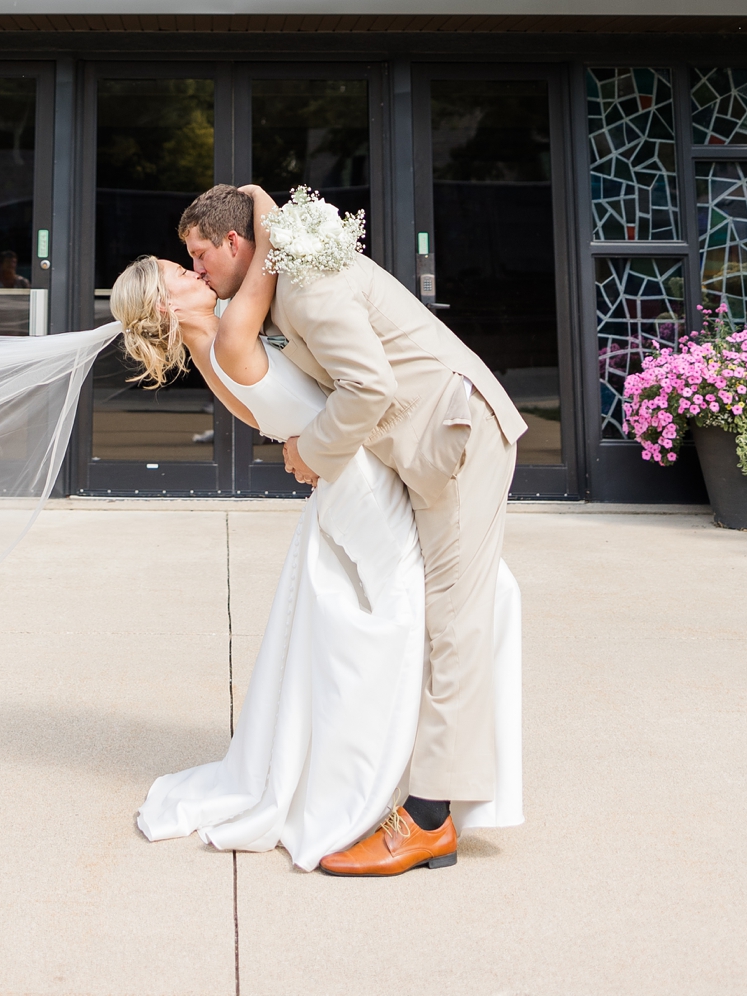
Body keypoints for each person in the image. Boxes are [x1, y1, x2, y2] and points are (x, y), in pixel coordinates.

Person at [110, 186, 521, 875]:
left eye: (198, 255)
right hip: (396, 463)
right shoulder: (247, 314)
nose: (198, 269)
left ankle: (429, 818)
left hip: (453, 439)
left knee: (455, 621)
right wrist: (257, 203)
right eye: (185, 266)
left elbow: (368, 389)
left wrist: (309, 451)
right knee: (429, 618)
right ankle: (412, 785)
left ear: (236, 245)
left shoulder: (297, 290)